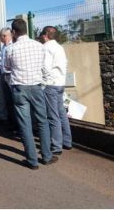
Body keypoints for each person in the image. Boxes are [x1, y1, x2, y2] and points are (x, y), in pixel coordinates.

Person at [6, 19, 57, 169]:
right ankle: (47, 156)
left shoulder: (11, 49)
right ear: (26, 30)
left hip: (19, 88)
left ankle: (32, 160)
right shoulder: (39, 46)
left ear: (14, 32)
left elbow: (7, 67)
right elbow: (43, 66)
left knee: (25, 124)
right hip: (36, 87)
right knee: (42, 121)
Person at [39, 26, 73, 154]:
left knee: (53, 116)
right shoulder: (60, 47)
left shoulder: (46, 47)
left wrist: (45, 81)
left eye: (42, 34)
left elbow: (45, 67)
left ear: (45, 35)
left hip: (50, 84)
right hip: (60, 83)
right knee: (62, 114)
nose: (42, 37)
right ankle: (67, 141)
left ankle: (56, 146)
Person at [0, 27, 16, 130]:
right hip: (4, 75)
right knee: (8, 99)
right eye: (1, 36)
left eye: (3, 36)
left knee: (14, 99)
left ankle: (16, 123)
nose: (2, 38)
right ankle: (11, 120)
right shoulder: (3, 47)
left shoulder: (13, 46)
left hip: (11, 75)